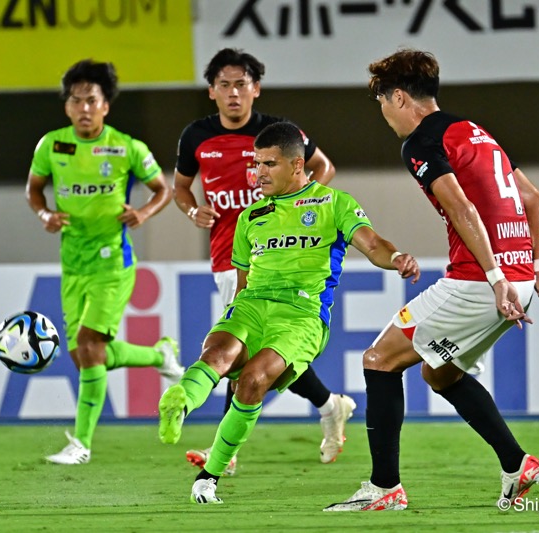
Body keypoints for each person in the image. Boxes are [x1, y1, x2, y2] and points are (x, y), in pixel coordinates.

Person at [325, 49, 539, 512]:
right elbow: (537, 201)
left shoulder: (419, 142)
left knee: (379, 359)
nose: (383, 115)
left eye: (381, 102)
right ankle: (517, 464)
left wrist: (495, 279)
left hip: (482, 281)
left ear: (398, 97)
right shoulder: (478, 133)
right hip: (516, 280)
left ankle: (383, 489)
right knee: (440, 372)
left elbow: (462, 210)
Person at [159, 121, 421, 505]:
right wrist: (236, 315)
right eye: (256, 163)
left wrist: (396, 257)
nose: (258, 172)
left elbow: (373, 243)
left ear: (297, 166)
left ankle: (209, 476)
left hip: (301, 314)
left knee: (252, 381)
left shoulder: (334, 203)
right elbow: (245, 282)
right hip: (251, 305)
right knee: (214, 355)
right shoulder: (251, 217)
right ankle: (179, 400)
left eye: (269, 164)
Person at [173, 48, 356, 475]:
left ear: (255, 89)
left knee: (239, 356)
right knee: (244, 355)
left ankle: (226, 454)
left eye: (242, 84)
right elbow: (181, 187)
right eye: (224, 85)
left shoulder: (277, 136)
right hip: (230, 257)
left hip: (282, 260)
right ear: (211, 92)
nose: (233, 93)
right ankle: (330, 405)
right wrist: (191, 209)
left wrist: (296, 206)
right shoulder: (195, 136)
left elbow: (322, 167)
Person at [26, 59, 184, 465]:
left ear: (105, 105)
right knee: (86, 355)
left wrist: (144, 213)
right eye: (76, 100)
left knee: (89, 345)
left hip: (113, 262)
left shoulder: (126, 147)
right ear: (67, 107)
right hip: (72, 263)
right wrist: (44, 215)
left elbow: (161, 189)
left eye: (91, 100)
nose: (83, 108)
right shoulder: (51, 145)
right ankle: (159, 356)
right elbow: (34, 190)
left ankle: (81, 444)